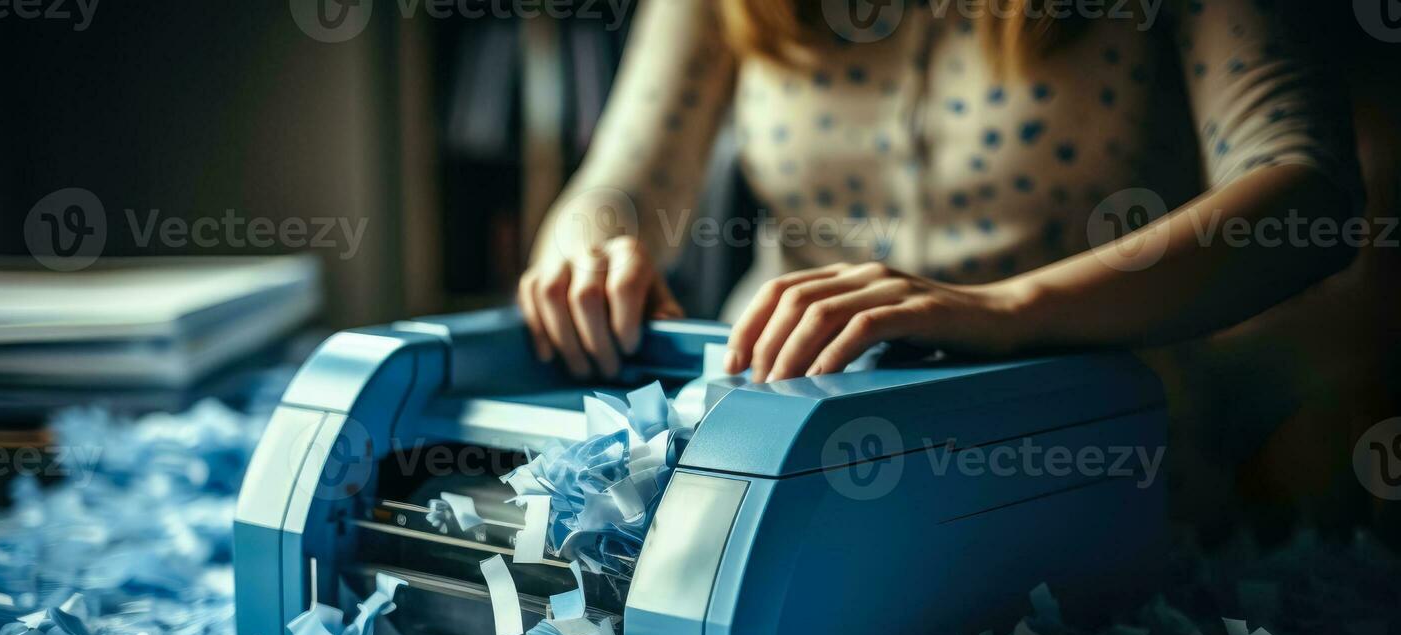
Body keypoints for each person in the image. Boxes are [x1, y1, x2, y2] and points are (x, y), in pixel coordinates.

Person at [518, 0, 1360, 385]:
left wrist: (1005, 310)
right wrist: (587, 251)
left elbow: (1308, 195)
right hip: (768, 427)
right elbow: (624, 178)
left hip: (1084, 449)